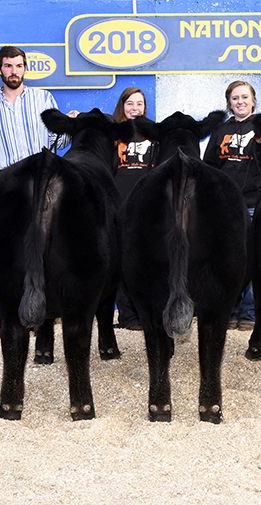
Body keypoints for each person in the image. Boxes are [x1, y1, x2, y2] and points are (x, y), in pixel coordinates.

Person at [0, 46, 75, 205]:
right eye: (8, 66)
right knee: (9, 231)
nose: (14, 71)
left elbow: (59, 143)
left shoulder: (44, 99)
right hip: (7, 183)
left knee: (44, 230)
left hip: (43, 181)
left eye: (19, 66)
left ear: (25, 69)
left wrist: (69, 126)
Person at [204, 80, 261, 330]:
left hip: (254, 202)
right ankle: (228, 308)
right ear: (229, 103)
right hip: (225, 206)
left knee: (251, 258)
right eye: (235, 98)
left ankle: (249, 312)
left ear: (253, 100)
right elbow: (208, 165)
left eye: (244, 97)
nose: (240, 102)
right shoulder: (220, 131)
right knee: (225, 259)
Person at [111, 87, 159, 331]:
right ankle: (128, 317)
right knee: (121, 262)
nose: (135, 108)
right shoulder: (112, 135)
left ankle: (147, 314)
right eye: (130, 103)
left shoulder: (154, 135)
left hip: (147, 208)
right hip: (119, 207)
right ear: (122, 106)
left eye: (139, 104)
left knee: (147, 263)